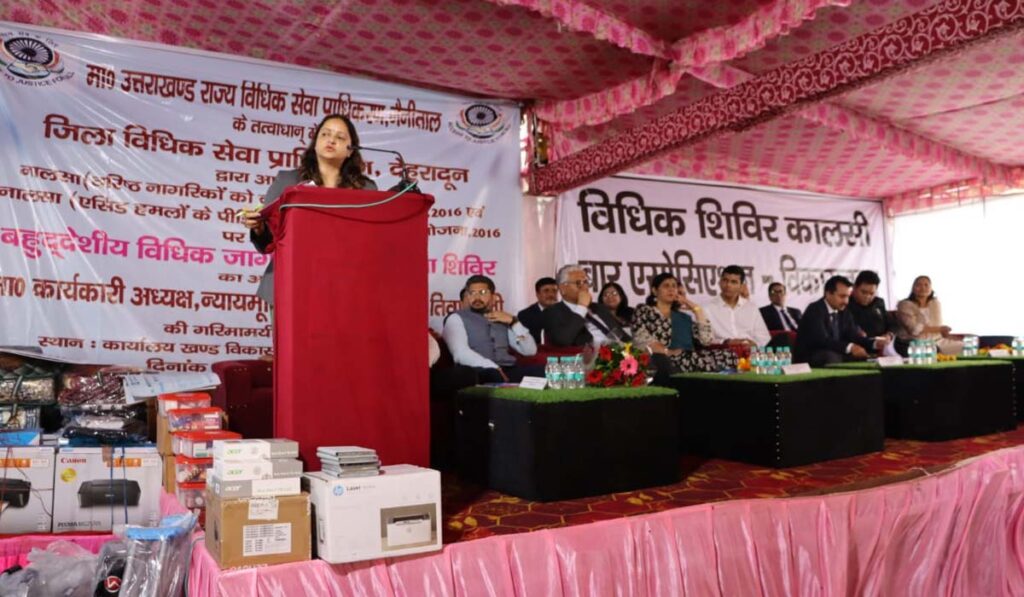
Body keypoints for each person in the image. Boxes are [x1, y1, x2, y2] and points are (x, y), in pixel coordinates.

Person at [242, 114, 377, 305]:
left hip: (344, 289)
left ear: (350, 150)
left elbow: (371, 243)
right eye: (325, 134)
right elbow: (268, 242)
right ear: (315, 143)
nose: (331, 140)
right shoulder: (288, 181)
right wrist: (259, 228)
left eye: (340, 137)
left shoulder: (366, 189)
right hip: (291, 284)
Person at [442, 275, 541, 383]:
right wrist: (493, 367)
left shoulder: (501, 318)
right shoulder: (456, 318)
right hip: (478, 369)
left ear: (493, 297)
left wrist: (514, 323)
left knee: (542, 371)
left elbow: (529, 350)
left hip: (508, 369)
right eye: (472, 293)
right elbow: (460, 353)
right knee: (491, 375)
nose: (477, 297)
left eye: (483, 292)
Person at [633, 273, 737, 373]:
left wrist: (697, 310)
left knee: (730, 355)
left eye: (674, 286)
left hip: (689, 357)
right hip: (663, 358)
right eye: (666, 286)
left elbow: (706, 340)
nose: (671, 289)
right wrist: (668, 351)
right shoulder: (644, 311)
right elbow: (641, 339)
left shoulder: (683, 317)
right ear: (655, 291)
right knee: (674, 360)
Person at [793, 275, 889, 366]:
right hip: (811, 356)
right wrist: (851, 347)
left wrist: (874, 343)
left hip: (836, 353)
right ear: (828, 294)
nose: (846, 301)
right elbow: (822, 340)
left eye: (848, 297)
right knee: (831, 357)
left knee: (862, 356)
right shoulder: (815, 310)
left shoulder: (844, 312)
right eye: (842, 296)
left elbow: (853, 336)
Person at [542, 264, 630, 347]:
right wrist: (582, 307)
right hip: (590, 355)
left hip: (620, 353)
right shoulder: (552, 312)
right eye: (578, 283)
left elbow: (623, 337)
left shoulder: (599, 308)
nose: (584, 287)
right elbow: (563, 340)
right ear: (562, 288)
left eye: (585, 282)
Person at [703, 266, 771, 347]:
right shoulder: (707, 308)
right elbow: (705, 340)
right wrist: (726, 342)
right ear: (720, 282)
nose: (728, 285)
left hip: (750, 351)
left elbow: (764, 337)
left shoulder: (751, 307)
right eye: (725, 280)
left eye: (734, 282)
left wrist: (754, 344)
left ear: (741, 286)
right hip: (723, 351)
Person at [896, 276, 963, 354]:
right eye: (919, 285)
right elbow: (914, 329)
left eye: (926, 285)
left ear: (931, 289)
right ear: (913, 288)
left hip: (938, 341)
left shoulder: (935, 303)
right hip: (915, 343)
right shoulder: (904, 305)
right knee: (933, 351)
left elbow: (939, 327)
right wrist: (939, 329)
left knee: (966, 347)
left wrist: (947, 335)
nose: (923, 288)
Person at [847, 270, 905, 356]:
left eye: (871, 293)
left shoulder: (878, 303)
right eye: (863, 292)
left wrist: (889, 335)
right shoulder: (845, 304)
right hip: (859, 347)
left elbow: (893, 324)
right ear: (854, 288)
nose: (867, 296)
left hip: (883, 346)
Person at [516, 277, 558, 345]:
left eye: (554, 291)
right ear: (537, 294)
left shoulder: (565, 313)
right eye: (546, 291)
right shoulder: (525, 315)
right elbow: (521, 340)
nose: (551, 294)